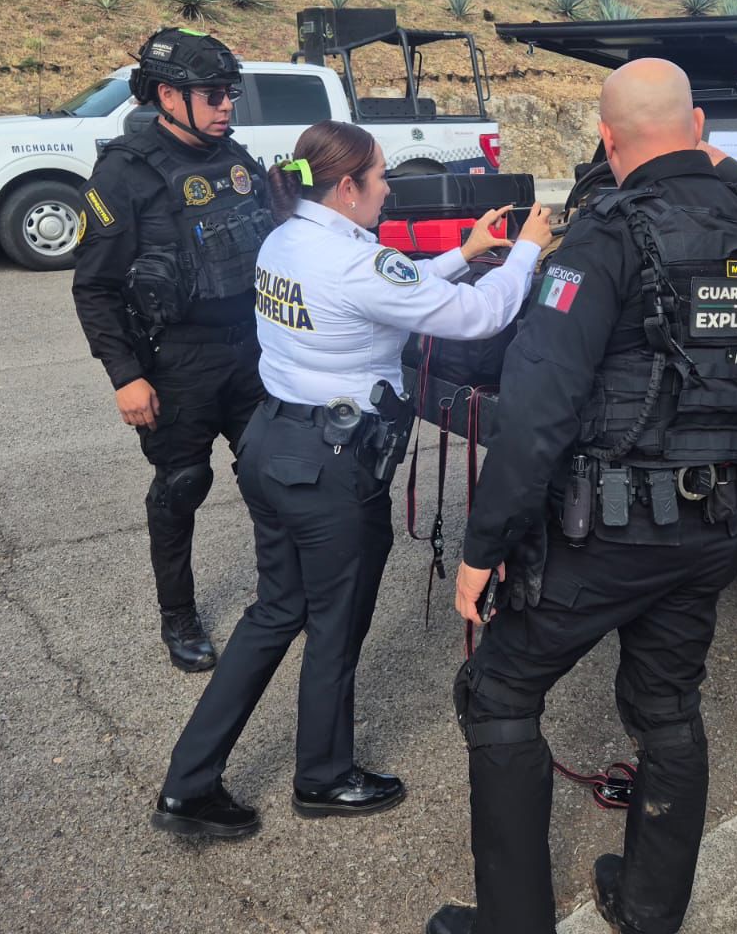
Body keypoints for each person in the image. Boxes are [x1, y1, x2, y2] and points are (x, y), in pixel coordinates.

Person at [428, 58, 737, 934]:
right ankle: (648, 913)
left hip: (607, 535)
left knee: (498, 695)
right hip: (718, 524)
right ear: (701, 127)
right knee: (668, 707)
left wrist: (483, 549)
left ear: (606, 138)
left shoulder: (604, 236)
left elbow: (535, 414)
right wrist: (717, 163)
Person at [151, 120, 555, 839]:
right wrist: (526, 252)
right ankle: (324, 777)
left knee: (274, 612)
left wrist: (464, 253)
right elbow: (480, 316)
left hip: (274, 446)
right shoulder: (354, 260)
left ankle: (189, 782)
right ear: (346, 188)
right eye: (379, 177)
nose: (388, 189)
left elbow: (390, 289)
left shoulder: (286, 239)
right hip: (330, 471)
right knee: (335, 627)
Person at [72, 28, 274, 674]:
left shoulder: (235, 157)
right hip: (177, 359)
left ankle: (282, 595)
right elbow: (95, 288)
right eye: (213, 95)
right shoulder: (125, 173)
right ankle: (178, 613)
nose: (226, 106)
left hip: (253, 349)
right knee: (182, 485)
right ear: (167, 96)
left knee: (272, 472)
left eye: (229, 93)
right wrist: (125, 377)